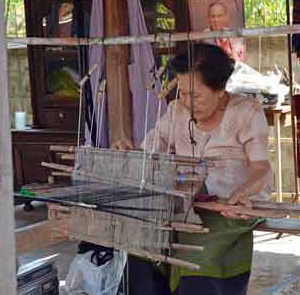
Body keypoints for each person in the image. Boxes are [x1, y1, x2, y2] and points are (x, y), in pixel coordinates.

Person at [113, 43, 272, 295]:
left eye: (195, 96)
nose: (186, 102)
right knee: (142, 250)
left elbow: (262, 169)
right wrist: (130, 153)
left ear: (220, 89)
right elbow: (152, 150)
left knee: (196, 259)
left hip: (230, 210)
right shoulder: (176, 112)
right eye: (182, 93)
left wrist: (243, 192)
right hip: (184, 205)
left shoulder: (247, 113)